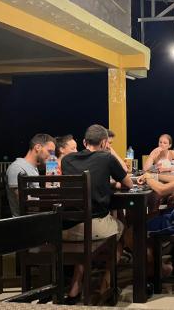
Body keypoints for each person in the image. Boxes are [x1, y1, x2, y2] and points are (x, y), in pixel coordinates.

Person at [61, 124, 133, 303]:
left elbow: (86, 181)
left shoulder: (67, 160)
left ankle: (75, 288)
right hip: (92, 227)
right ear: (104, 143)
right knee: (121, 230)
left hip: (65, 228)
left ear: (84, 142)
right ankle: (105, 286)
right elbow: (129, 184)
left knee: (88, 237)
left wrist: (108, 184)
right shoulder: (106, 158)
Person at [6, 133, 56, 217]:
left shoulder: (33, 168)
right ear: (38, 147)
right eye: (50, 151)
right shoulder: (17, 168)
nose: (52, 156)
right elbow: (28, 205)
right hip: (25, 223)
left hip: (36, 218)